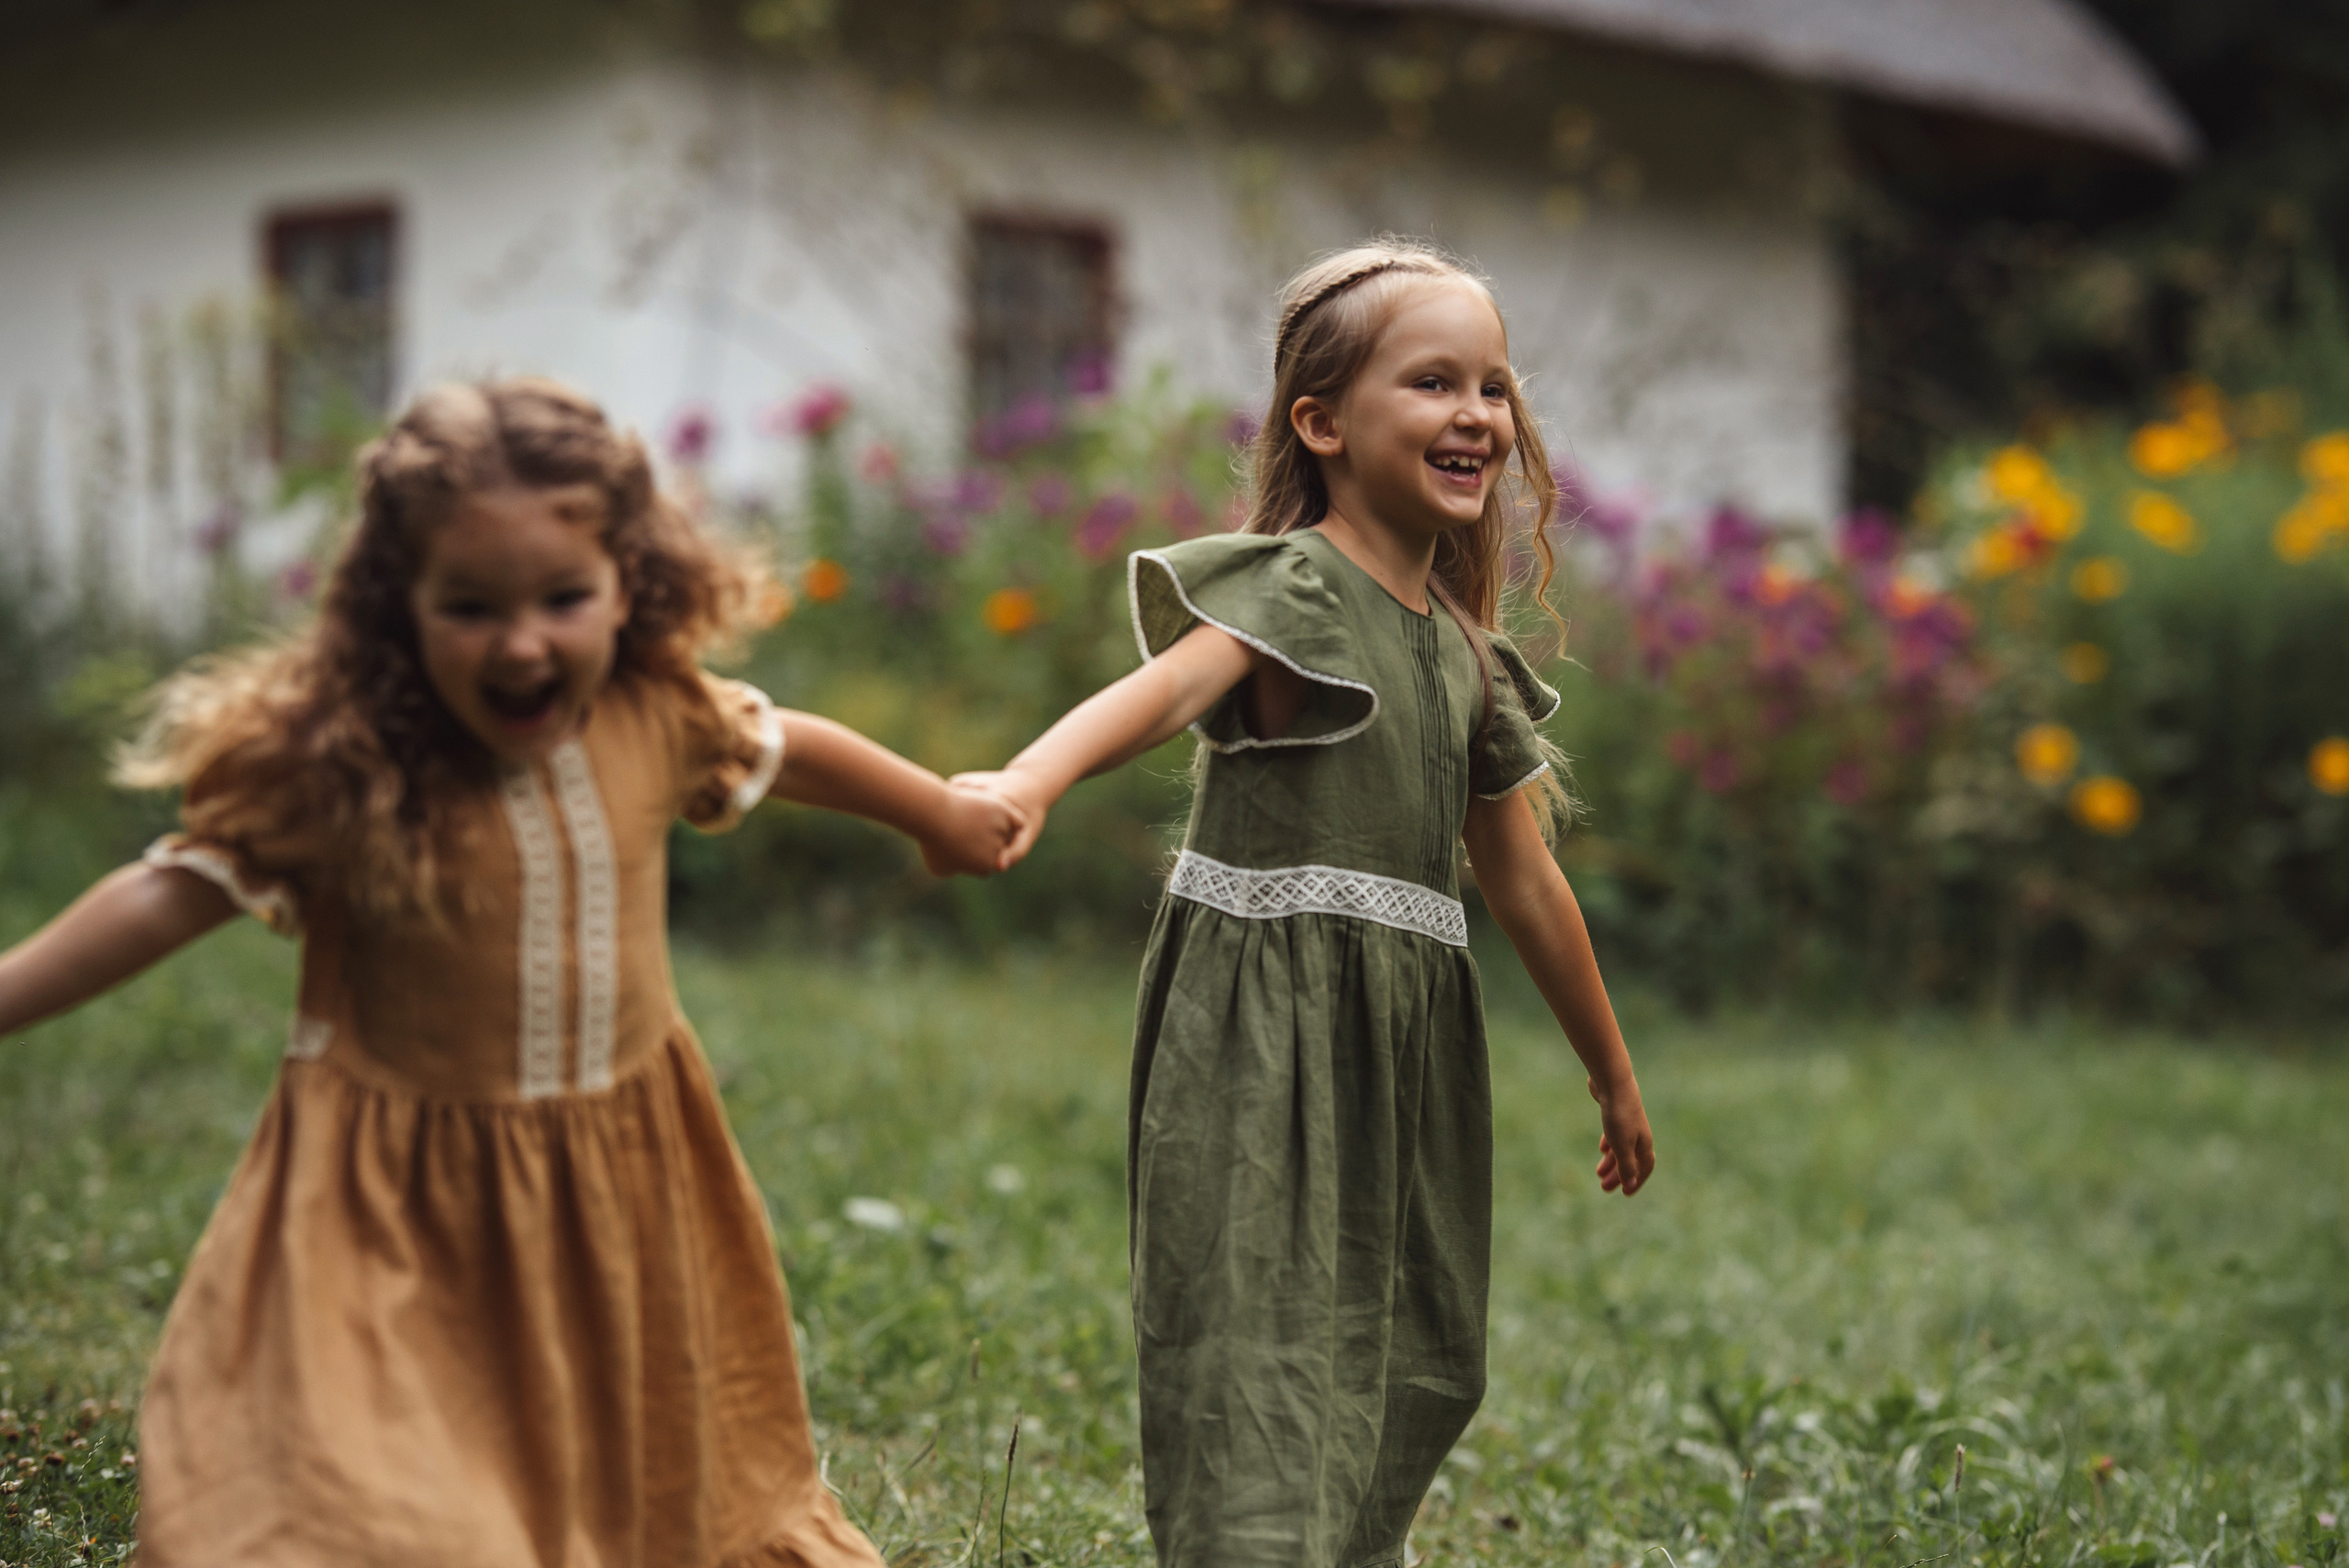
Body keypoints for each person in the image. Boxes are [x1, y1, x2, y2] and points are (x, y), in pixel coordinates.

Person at [0, 378, 1021, 1566]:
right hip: (393, 1207)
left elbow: (789, 744)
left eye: (563, 597)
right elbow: (176, 884)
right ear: (402, 609)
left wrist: (938, 815)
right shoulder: (355, 763)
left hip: (623, 1186)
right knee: (381, 1497)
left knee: (644, 1480)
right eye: (472, 606)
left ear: (626, 581)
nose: (523, 639)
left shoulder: (655, 713)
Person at [959, 239, 1656, 1568]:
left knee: (1411, 1339)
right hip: (1262, 1037)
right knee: (1258, 1326)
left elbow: (1523, 875)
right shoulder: (1289, 592)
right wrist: (1029, 778)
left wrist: (1611, 1072)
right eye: (1435, 381)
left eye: (1495, 387)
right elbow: (1160, 693)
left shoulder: (1462, 652)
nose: (1476, 415)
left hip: (1407, 1049)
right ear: (1323, 422)